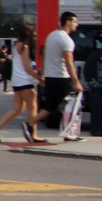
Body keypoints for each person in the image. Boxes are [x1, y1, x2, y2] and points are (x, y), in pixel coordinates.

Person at [28, 11, 85, 142]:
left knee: (50, 107)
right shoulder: (66, 40)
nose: (77, 25)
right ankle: (70, 134)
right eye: (75, 22)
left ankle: (30, 124)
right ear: (68, 22)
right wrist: (76, 82)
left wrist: (43, 74)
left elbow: (44, 57)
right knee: (70, 106)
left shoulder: (51, 36)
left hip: (50, 77)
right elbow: (68, 62)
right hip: (62, 77)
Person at [0, 23, 45, 143]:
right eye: (33, 32)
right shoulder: (25, 46)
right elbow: (27, 67)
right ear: (29, 33)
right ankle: (33, 134)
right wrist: (39, 78)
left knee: (18, 109)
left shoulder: (16, 45)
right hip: (25, 81)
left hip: (16, 81)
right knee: (33, 108)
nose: (35, 34)